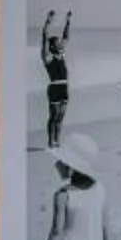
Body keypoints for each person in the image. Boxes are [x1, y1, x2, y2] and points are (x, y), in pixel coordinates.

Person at [39, 9, 72, 147]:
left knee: (60, 118)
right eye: (57, 43)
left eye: (60, 43)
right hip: (54, 88)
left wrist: (68, 22)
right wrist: (48, 22)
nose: (60, 44)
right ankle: (50, 141)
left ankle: (57, 141)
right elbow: (45, 38)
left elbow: (66, 38)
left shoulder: (61, 55)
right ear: (52, 46)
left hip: (64, 88)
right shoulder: (48, 58)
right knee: (53, 117)